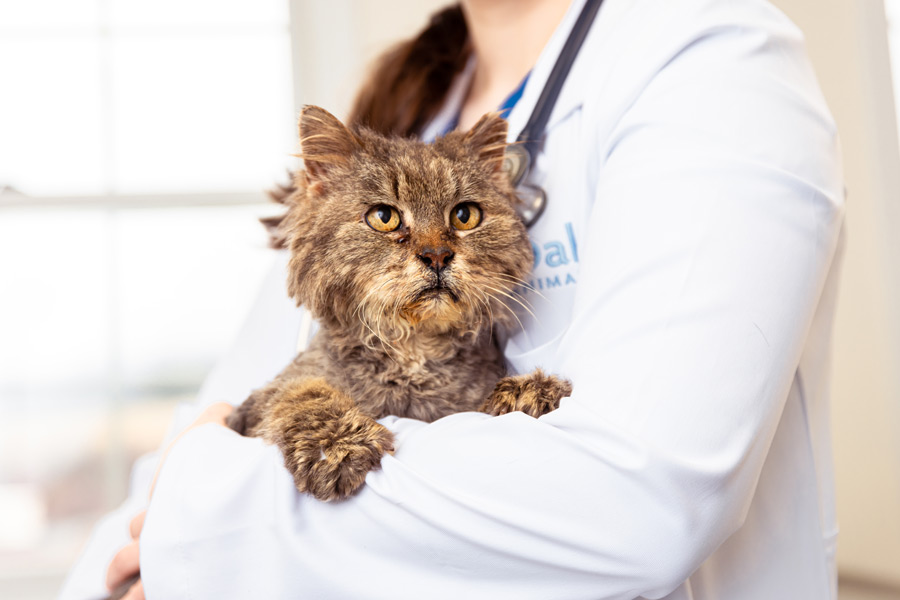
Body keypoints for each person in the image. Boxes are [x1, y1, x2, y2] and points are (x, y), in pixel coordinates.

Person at [60, 0, 845, 598]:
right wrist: (154, 540)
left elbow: (641, 497)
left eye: (462, 216)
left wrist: (202, 515)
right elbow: (184, 455)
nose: (433, 245)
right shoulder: (400, 106)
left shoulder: (708, 59)